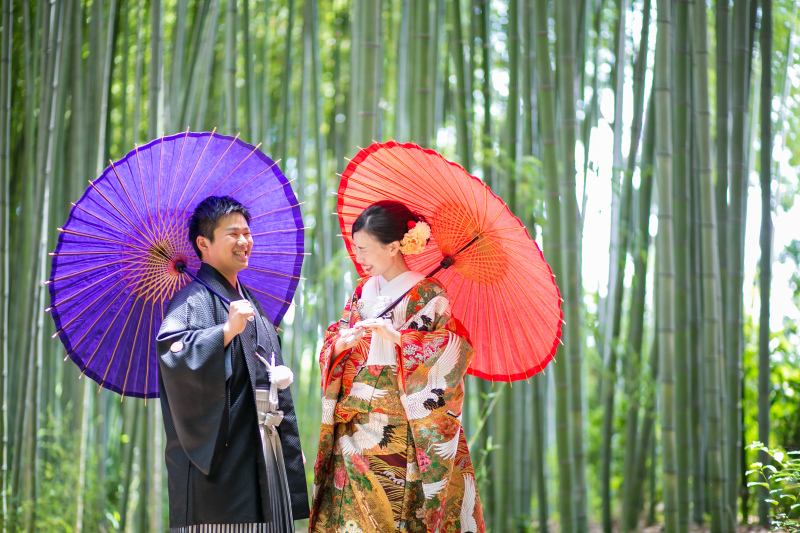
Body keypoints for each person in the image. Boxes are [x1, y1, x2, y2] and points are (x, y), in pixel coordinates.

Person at [309, 200, 485, 533]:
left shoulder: (429, 293)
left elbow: (453, 350)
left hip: (399, 432)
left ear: (392, 247)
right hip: (354, 424)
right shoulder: (363, 290)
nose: (357, 257)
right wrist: (340, 344)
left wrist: (400, 338)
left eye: (364, 249)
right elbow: (335, 337)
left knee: (392, 518)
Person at [157, 195, 309, 533]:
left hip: (264, 442)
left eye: (247, 233)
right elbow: (173, 354)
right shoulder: (191, 300)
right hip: (224, 454)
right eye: (233, 234)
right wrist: (224, 332)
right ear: (203, 244)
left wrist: (287, 447)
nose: (244, 242)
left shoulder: (247, 300)